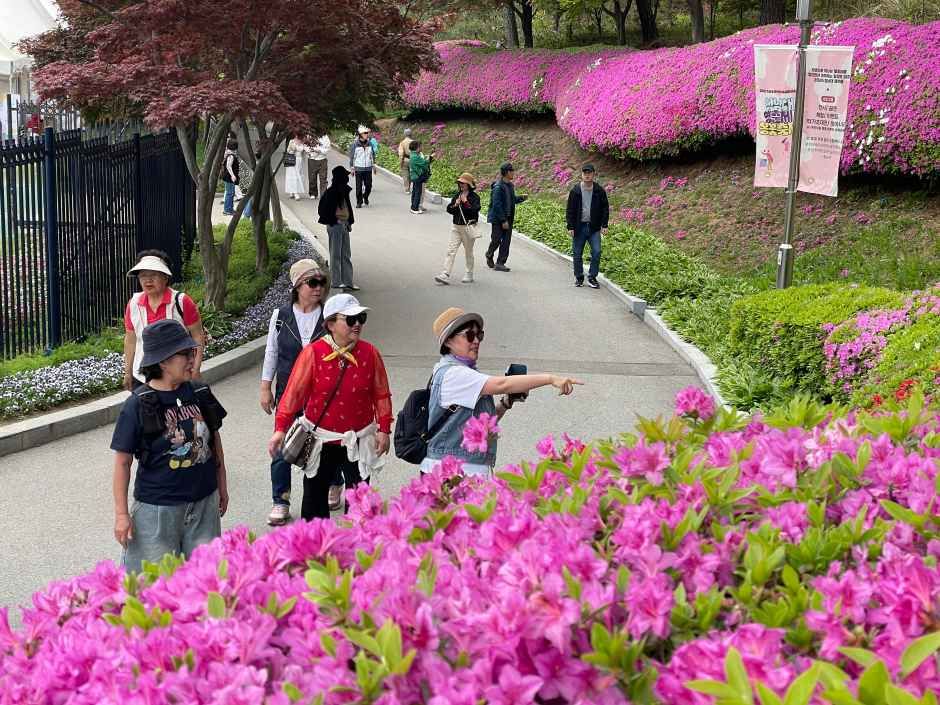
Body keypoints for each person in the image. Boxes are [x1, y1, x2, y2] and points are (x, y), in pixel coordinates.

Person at [111, 319, 229, 573]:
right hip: (157, 511)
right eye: (185, 353)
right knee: (152, 585)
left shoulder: (199, 393)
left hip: (203, 504)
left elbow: (214, 439)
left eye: (192, 352)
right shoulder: (137, 405)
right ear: (163, 361)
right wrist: (121, 515)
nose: (192, 359)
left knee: (205, 581)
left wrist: (222, 484)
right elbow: (122, 462)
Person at [267, 294, 393, 520]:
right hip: (321, 439)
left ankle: (356, 541)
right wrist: (280, 429)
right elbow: (293, 394)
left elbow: (381, 394)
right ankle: (316, 542)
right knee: (314, 502)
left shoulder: (370, 353)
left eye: (361, 318)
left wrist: (384, 429)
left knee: (360, 506)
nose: (357, 324)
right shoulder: (313, 353)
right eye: (351, 319)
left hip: (358, 438)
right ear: (331, 324)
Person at [421, 308, 582, 476]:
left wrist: (506, 403)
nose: (476, 341)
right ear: (448, 341)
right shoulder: (453, 374)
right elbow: (501, 384)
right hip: (450, 473)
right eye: (469, 335)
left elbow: (481, 425)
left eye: (479, 335)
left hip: (464, 470)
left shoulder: (464, 372)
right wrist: (550, 378)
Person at [260, 259, 329, 526]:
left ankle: (334, 482)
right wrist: (265, 387)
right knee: (282, 446)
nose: (318, 287)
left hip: (322, 393)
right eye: (312, 282)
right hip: (288, 392)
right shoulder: (281, 316)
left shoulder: (329, 316)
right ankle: (280, 500)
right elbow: (272, 352)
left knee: (326, 444)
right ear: (297, 286)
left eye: (321, 282)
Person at [123, 250, 204, 391]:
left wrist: (195, 368)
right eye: (143, 275)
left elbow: (197, 336)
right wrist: (128, 372)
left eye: (153, 275)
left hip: (177, 376)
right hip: (142, 377)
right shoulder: (133, 304)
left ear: (165, 277)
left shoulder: (181, 301)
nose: (148, 280)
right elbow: (130, 340)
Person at [565, 164, 610, 289]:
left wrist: (604, 225)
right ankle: (579, 277)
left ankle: (592, 277)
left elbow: (605, 208)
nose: (587, 175)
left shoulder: (599, 191)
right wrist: (570, 227)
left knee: (597, 251)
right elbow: (570, 210)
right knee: (577, 253)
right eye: (585, 173)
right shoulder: (575, 191)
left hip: (593, 227)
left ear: (593, 174)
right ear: (582, 175)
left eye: (589, 173)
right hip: (579, 227)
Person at [318, 166, 359, 292]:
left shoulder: (343, 191)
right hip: (335, 226)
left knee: (346, 254)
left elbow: (348, 209)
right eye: (345, 176)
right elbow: (322, 210)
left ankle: (348, 282)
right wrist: (333, 221)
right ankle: (336, 282)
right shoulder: (331, 192)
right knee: (335, 254)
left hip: (344, 225)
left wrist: (349, 222)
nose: (347, 178)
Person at [435, 173, 481, 285]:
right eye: (460, 183)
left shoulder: (475, 197)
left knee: (468, 252)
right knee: (451, 250)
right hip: (456, 227)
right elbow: (449, 210)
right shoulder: (457, 195)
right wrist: (455, 205)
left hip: (468, 227)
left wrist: (465, 202)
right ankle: (445, 274)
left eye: (463, 183)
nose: (461, 185)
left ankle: (469, 273)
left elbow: (474, 211)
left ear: (469, 184)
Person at [485, 163, 527, 272]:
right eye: (512, 171)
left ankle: (500, 263)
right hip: (498, 218)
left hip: (508, 217)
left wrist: (521, 198)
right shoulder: (498, 187)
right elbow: (497, 205)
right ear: (507, 172)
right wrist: (503, 220)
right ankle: (489, 254)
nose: (513, 173)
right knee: (496, 239)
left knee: (506, 242)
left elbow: (511, 200)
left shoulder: (510, 186)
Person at [348, 126, 376, 208]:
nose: (367, 134)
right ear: (360, 134)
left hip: (368, 168)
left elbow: (373, 155)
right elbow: (352, 157)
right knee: (359, 186)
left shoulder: (370, 144)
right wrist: (352, 168)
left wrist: (374, 165)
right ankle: (359, 202)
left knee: (369, 186)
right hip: (358, 168)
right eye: (365, 133)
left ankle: (365, 196)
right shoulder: (355, 145)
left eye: (367, 133)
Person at [409, 141, 433, 214]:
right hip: (417, 176)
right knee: (417, 192)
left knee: (415, 192)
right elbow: (424, 163)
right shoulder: (415, 157)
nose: (421, 148)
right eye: (420, 146)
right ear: (417, 148)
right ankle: (414, 208)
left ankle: (413, 206)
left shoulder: (413, 155)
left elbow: (422, 162)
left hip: (415, 176)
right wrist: (431, 157)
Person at [308, 134, 331, 199]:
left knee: (323, 178)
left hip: (322, 159)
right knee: (312, 177)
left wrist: (320, 150)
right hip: (312, 159)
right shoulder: (310, 135)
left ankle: (323, 194)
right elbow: (305, 146)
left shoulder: (325, 137)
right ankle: (313, 193)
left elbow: (328, 148)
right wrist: (311, 150)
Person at [221, 139, 239, 215]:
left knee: (230, 192)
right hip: (229, 177)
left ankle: (229, 209)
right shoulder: (231, 156)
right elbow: (228, 166)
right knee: (230, 193)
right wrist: (233, 175)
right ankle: (227, 210)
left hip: (228, 176)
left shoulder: (228, 153)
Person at [397, 128, 414, 193]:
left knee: (405, 175)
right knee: (411, 174)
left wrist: (401, 162)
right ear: (411, 134)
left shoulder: (402, 142)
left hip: (405, 160)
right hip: (413, 160)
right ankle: (409, 186)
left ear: (404, 134)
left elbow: (401, 153)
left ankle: (407, 189)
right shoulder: (414, 142)